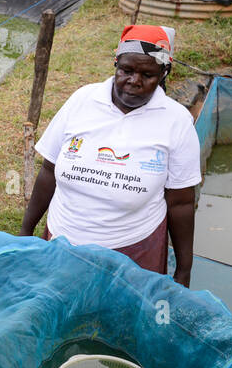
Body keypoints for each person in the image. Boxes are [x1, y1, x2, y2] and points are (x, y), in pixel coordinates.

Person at [20, 25, 202, 286]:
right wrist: (27, 229)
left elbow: (181, 202)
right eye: (126, 70)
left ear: (164, 73)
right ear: (116, 64)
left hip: (133, 250)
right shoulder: (83, 100)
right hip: (63, 239)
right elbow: (49, 170)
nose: (134, 81)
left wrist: (184, 270)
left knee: (120, 319)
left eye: (147, 74)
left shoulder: (176, 121)